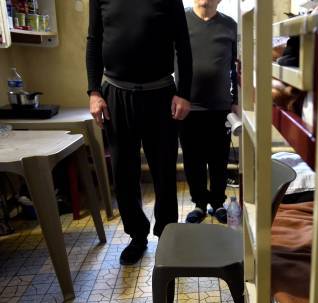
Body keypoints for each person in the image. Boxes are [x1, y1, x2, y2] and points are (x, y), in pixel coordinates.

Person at [86, 0, 192, 265]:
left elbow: (183, 44)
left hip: (161, 95)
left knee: (164, 171)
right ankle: (137, 236)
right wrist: (94, 92)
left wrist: (184, 93)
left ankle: (168, 234)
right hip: (116, 96)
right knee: (123, 173)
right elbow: (94, 39)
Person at [180, 0, 238, 224]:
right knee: (193, 159)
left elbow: (236, 68)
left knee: (218, 159)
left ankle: (218, 203)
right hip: (188, 107)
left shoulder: (230, 26)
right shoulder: (181, 22)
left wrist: (236, 100)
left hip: (220, 107)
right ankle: (199, 204)